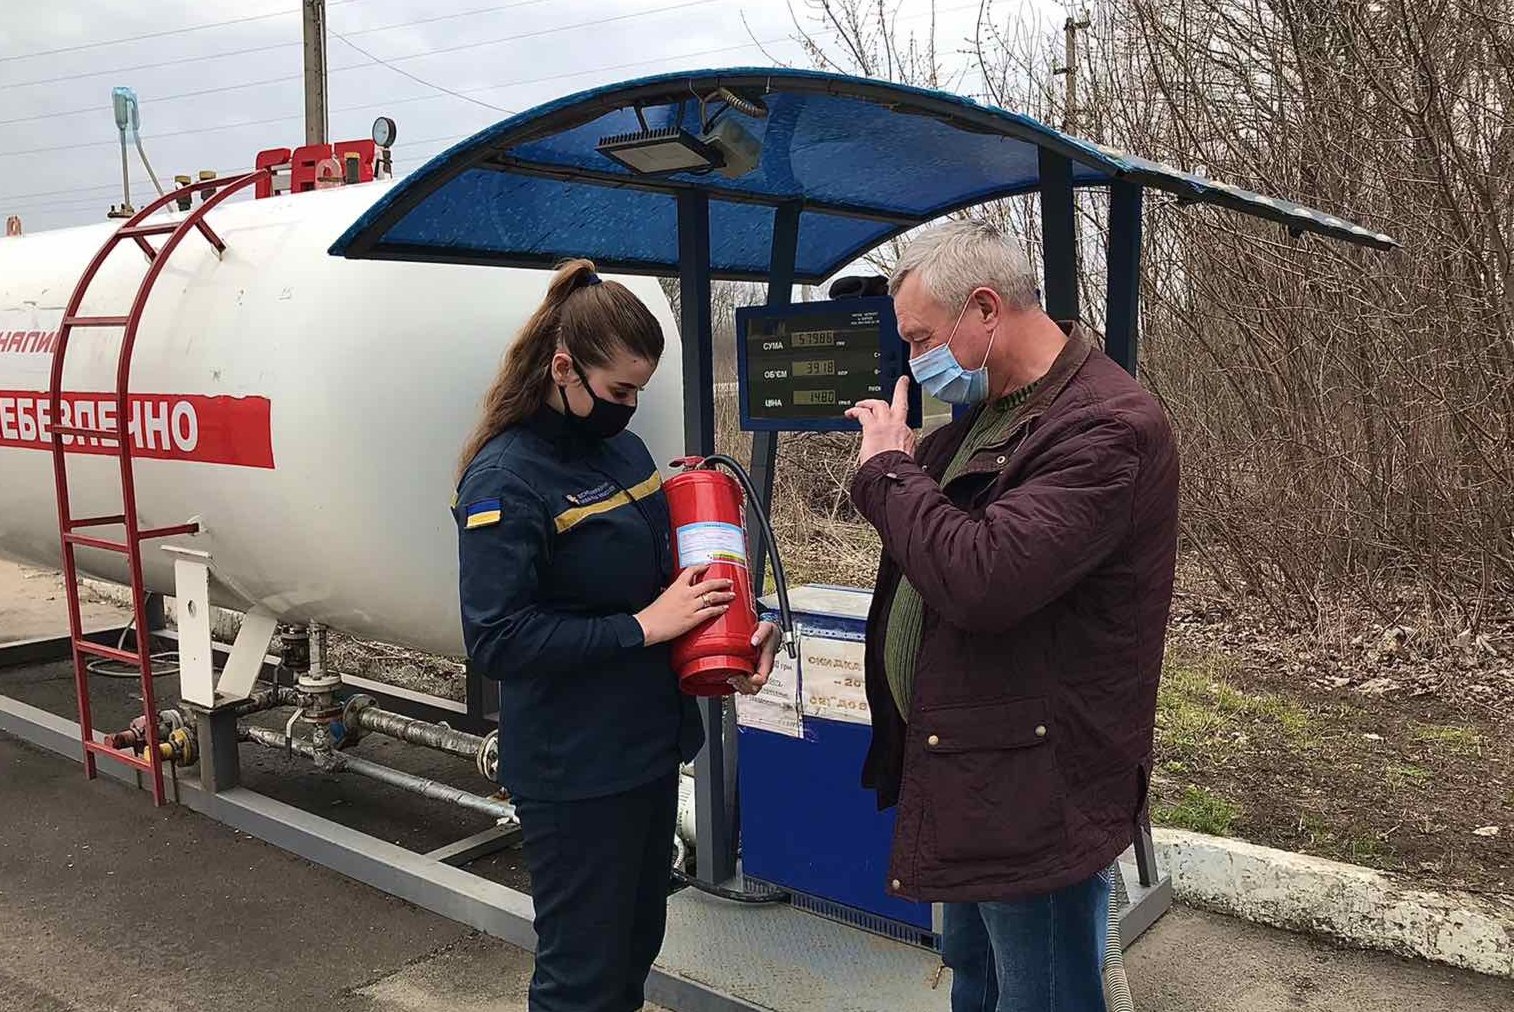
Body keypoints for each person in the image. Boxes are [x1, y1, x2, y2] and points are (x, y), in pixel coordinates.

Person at [844, 221, 1180, 1012]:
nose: (915, 359)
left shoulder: (1105, 428)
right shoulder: (975, 423)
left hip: (1036, 788)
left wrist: (889, 473)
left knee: (1043, 992)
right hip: (967, 768)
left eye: (922, 337)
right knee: (977, 974)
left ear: (986, 311)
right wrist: (907, 468)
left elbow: (984, 578)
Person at [453, 258, 776, 1012]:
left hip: (646, 751)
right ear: (563, 368)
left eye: (640, 390)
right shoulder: (504, 479)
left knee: (633, 952)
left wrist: (730, 640)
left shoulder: (622, 454)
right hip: (575, 774)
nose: (629, 407)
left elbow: (672, 581)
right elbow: (497, 640)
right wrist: (642, 628)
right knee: (581, 981)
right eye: (619, 390)